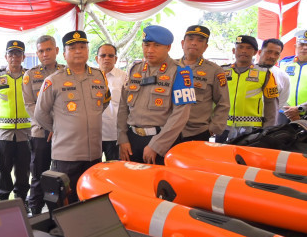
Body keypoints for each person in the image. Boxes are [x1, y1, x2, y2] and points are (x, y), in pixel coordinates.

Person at [35, 31, 111, 203]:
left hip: (94, 154)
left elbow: (104, 102)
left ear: (88, 50)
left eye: (82, 47)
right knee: (66, 202)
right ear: (64, 54)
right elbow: (40, 113)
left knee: (91, 200)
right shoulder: (53, 80)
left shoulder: (99, 77)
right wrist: (57, 129)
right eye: (73, 48)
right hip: (66, 156)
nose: (78, 51)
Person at [117, 25, 196, 165]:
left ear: (168, 47)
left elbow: (180, 115)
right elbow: (123, 106)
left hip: (161, 142)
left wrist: (157, 145)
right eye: (146, 45)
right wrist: (122, 138)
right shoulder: (135, 70)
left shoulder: (180, 73)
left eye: (157, 45)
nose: (150, 50)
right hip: (132, 141)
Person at [22, 35, 63, 214]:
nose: (45, 54)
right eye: (41, 51)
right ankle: (35, 212)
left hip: (64, 133)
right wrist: (50, 126)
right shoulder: (30, 75)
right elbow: (30, 105)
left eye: (48, 49)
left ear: (57, 51)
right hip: (40, 133)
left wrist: (58, 127)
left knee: (60, 175)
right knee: (38, 175)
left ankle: (58, 212)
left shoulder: (66, 72)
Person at [0, 40, 31, 207]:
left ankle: (22, 203)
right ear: (5, 56)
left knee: (24, 170)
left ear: (23, 57)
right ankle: (3, 204)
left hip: (26, 132)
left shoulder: (30, 77)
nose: (14, 57)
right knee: (3, 169)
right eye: (11, 53)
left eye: (18, 54)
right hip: (3, 132)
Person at [219, 36, 279, 141]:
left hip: (251, 129)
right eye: (240, 47)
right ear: (234, 50)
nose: (244, 51)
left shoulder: (265, 73)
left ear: (255, 52)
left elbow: (271, 104)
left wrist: (268, 129)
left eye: (249, 48)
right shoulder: (221, 71)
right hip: (223, 127)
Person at [177, 25, 229, 142]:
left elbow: (223, 103)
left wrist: (213, 128)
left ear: (205, 47)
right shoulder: (169, 67)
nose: (194, 43)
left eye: (200, 41)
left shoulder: (214, 70)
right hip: (167, 131)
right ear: (182, 43)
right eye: (190, 39)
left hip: (197, 132)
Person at [97, 43, 127, 160]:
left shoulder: (124, 77)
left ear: (116, 59)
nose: (107, 58)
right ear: (97, 58)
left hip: (115, 135)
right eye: (103, 55)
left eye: (110, 56)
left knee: (116, 169)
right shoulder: (89, 77)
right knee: (94, 171)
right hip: (94, 135)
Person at [257, 38, 290, 125]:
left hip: (268, 125)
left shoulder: (283, 77)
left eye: (276, 54)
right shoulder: (245, 71)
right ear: (260, 52)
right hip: (241, 123)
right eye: (269, 52)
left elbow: (280, 103)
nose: (272, 56)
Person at [280, 30, 307, 122]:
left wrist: (299, 109)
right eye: (301, 44)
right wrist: (289, 110)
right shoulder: (284, 63)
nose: (305, 47)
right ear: (295, 46)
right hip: (285, 113)